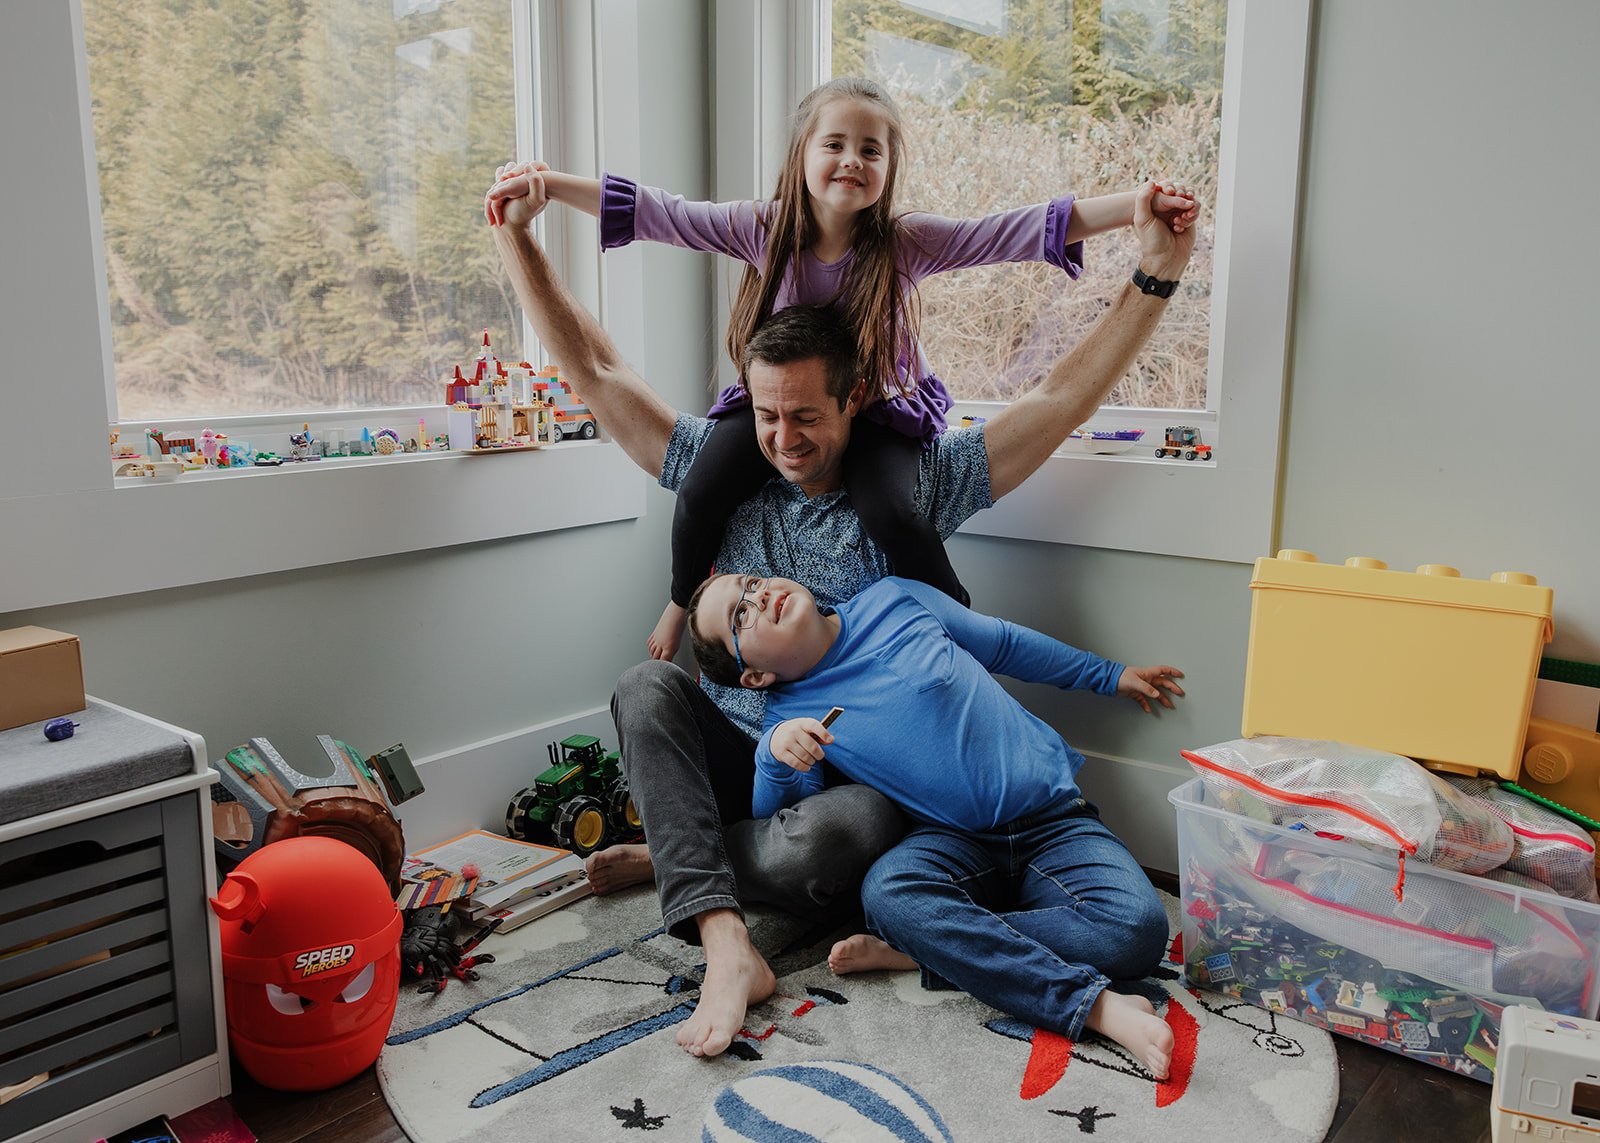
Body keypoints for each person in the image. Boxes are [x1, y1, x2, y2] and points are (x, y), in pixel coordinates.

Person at [485, 165, 1196, 1059]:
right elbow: (594, 370)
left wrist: (1156, 273)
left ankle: (683, 856)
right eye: (769, 416)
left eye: (808, 416)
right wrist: (516, 240)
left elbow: (1055, 399)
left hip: (840, 777)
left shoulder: (918, 485)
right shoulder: (722, 465)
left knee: (848, 833)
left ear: (854, 400)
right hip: (746, 745)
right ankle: (724, 938)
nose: (785, 439)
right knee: (643, 687)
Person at [486, 76, 1197, 662]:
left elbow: (1013, 231)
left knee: (893, 510)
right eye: (834, 144)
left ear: (889, 170)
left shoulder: (904, 244)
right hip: (768, 408)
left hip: (884, 415)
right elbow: (656, 214)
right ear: (802, 154)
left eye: (871, 149)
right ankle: (678, 601)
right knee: (701, 486)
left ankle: (962, 639)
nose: (851, 160)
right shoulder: (761, 228)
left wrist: (1132, 210)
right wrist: (546, 187)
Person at [684, 570, 1185, 1077]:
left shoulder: (894, 598)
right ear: (755, 677)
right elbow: (780, 825)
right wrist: (774, 756)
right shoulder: (786, 718)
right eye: (739, 615)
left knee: (1135, 930)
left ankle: (929, 952)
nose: (758, 594)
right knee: (888, 894)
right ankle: (1094, 1008)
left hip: (1054, 821)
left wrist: (1107, 675)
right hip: (950, 843)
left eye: (750, 583)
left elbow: (1003, 643)